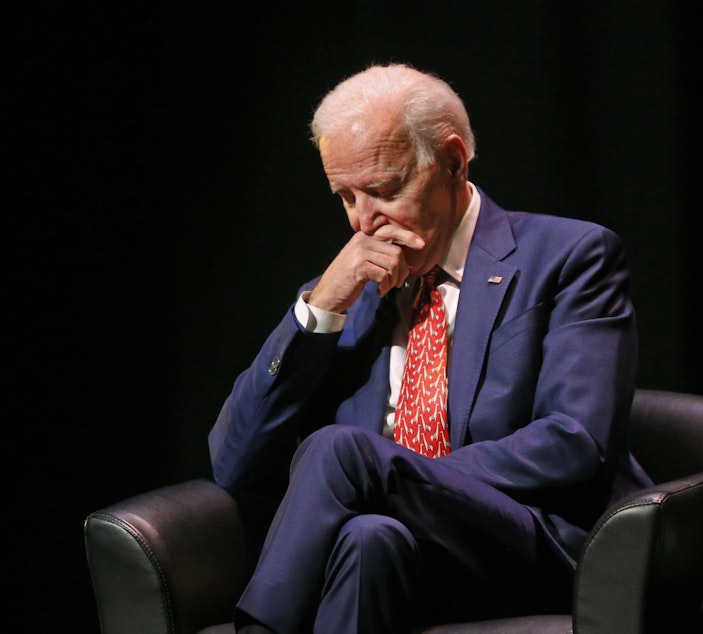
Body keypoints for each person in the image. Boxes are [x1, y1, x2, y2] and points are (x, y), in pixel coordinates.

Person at [208, 63, 652, 634]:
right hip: (402, 552)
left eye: (384, 190)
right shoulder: (345, 298)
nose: (363, 223)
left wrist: (399, 472)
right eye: (344, 197)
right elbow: (235, 462)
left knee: (343, 452)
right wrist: (321, 307)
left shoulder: (570, 256)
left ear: (452, 160)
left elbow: (576, 442)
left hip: (532, 543)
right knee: (369, 538)